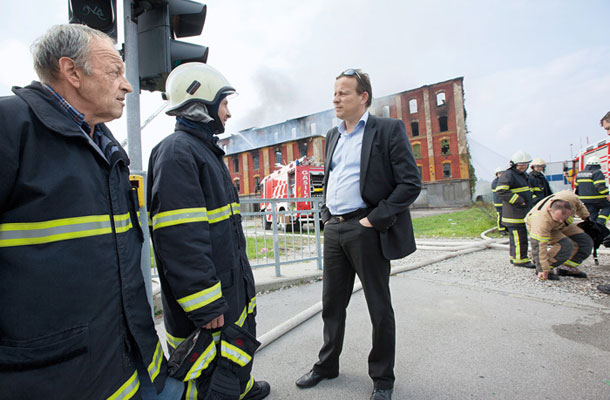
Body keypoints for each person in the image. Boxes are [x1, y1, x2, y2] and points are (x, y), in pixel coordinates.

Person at [0, 24, 181, 399]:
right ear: (72, 72)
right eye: (115, 71)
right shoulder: (10, 127)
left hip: (123, 368)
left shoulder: (103, 144)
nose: (128, 85)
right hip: (51, 378)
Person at [295, 69, 421, 400]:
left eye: (343, 93)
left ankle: (382, 378)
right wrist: (325, 215)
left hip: (367, 229)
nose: (335, 98)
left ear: (363, 97)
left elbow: (410, 183)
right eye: (334, 93)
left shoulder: (387, 130)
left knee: (379, 307)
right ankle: (327, 365)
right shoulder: (332, 136)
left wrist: (374, 219)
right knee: (331, 304)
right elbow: (331, 179)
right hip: (335, 229)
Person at [147, 63, 270, 400]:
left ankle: (241, 389)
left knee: (231, 354)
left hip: (228, 287)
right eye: (224, 103)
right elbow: (181, 240)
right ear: (200, 103)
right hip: (208, 302)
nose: (228, 113)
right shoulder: (177, 152)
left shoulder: (205, 152)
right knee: (208, 374)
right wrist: (204, 304)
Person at [525, 191, 593, 281]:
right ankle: (547, 268)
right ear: (550, 210)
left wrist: (586, 218)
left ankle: (566, 269)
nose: (561, 220)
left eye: (564, 217)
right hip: (546, 226)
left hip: (562, 225)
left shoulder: (570, 198)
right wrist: (542, 268)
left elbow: (579, 205)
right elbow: (538, 246)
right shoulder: (541, 222)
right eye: (558, 218)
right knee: (565, 245)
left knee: (585, 242)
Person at [496, 150, 536, 268]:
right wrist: (518, 200)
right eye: (520, 164)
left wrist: (532, 199)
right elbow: (501, 191)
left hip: (521, 212)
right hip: (514, 214)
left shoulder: (522, 175)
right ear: (514, 164)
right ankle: (521, 260)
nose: (523, 167)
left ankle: (515, 257)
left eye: (525, 164)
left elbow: (527, 190)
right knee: (520, 238)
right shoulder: (508, 175)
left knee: (517, 238)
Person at [574, 156, 610, 225]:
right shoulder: (597, 172)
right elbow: (599, 186)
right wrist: (607, 194)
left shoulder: (579, 174)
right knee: (608, 207)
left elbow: (576, 188)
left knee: (592, 216)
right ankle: (601, 223)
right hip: (598, 199)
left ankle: (594, 230)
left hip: (585, 200)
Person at [491, 167, 508, 234]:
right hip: (499, 203)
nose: (501, 174)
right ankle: (501, 229)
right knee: (500, 215)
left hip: (505, 202)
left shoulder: (505, 180)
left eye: (502, 173)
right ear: (497, 174)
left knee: (506, 215)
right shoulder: (495, 182)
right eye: (500, 173)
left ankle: (506, 228)